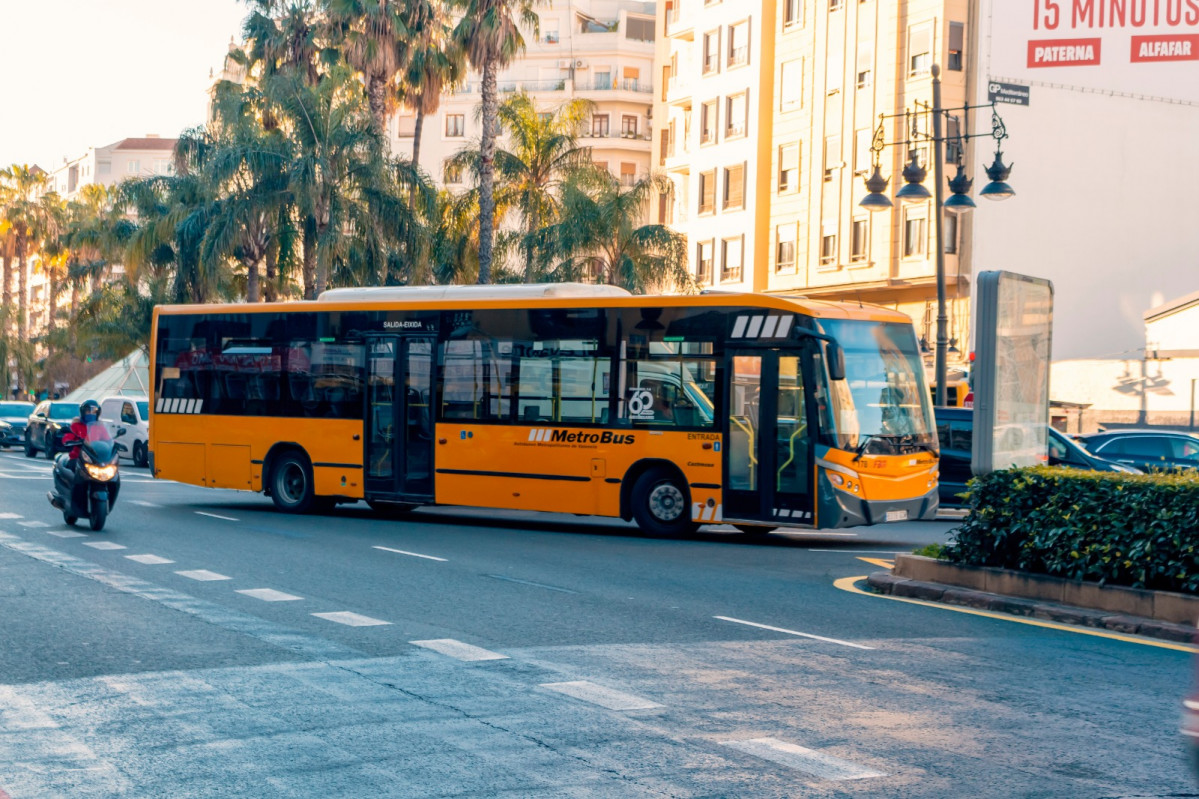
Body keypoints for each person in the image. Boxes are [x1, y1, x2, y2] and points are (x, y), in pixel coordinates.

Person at [60, 399, 110, 471]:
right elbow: (68, 437)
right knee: (74, 466)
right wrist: (69, 441)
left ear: (97, 413)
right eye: (88, 411)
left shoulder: (100, 427)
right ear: (83, 412)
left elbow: (107, 439)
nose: (90, 413)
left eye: (93, 412)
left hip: (96, 458)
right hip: (78, 457)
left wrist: (114, 444)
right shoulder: (76, 425)